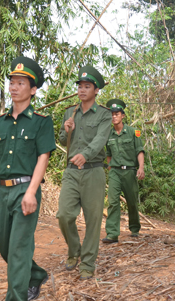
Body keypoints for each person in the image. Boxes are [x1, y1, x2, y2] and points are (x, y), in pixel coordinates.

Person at [0, 56, 55, 301]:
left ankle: (16, 297)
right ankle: (35, 275)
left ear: (33, 90)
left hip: (25, 190)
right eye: (12, 82)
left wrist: (32, 191)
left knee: (19, 248)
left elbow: (43, 157)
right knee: (3, 244)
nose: (14, 87)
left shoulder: (41, 123)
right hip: (2, 193)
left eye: (21, 83)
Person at [57, 65, 111, 280]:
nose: (82, 90)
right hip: (71, 171)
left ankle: (87, 263)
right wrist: (66, 130)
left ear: (96, 90)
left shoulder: (104, 115)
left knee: (93, 220)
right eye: (80, 86)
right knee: (64, 215)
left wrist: (86, 154)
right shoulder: (69, 112)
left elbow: (100, 140)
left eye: (87, 86)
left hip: (93, 171)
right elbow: (62, 139)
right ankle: (74, 251)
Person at [101, 99, 145, 244]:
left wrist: (141, 168)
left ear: (123, 116)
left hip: (130, 172)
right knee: (113, 201)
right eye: (112, 114)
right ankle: (112, 234)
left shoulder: (133, 132)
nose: (114, 116)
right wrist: (110, 166)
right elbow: (108, 153)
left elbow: (140, 151)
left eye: (117, 114)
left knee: (132, 202)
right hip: (115, 172)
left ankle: (134, 228)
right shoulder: (109, 134)